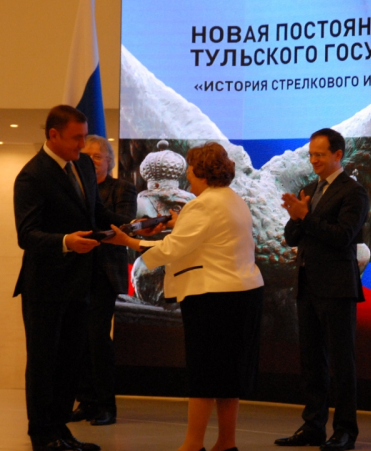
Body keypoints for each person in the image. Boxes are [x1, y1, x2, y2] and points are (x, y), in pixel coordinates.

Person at [106, 141, 264, 451]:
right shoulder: (232, 199)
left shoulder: (202, 205)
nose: (187, 177)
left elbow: (172, 249)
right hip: (243, 294)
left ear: (203, 172)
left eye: (190, 171)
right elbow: (204, 236)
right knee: (228, 375)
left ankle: (192, 445)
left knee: (203, 372)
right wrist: (177, 224)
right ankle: (226, 443)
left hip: (213, 296)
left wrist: (129, 241)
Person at [13, 105, 132, 451]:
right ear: (53, 135)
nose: (83, 145)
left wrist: (131, 228)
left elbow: (97, 212)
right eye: (76, 138)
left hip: (81, 282)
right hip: (45, 286)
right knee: (44, 362)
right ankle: (43, 436)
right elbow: (27, 234)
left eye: (84, 136)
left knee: (70, 361)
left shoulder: (81, 166)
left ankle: (60, 431)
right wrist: (66, 242)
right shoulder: (32, 175)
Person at [276, 128, 370, 451]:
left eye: (319, 155)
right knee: (312, 362)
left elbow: (343, 237)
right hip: (308, 284)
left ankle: (345, 431)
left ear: (337, 155)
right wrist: (296, 217)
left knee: (342, 363)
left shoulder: (353, 192)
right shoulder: (309, 189)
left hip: (337, 287)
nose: (313, 160)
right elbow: (291, 237)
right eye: (311, 155)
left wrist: (306, 216)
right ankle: (313, 426)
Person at [71, 135, 137, 426]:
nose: (90, 161)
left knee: (97, 338)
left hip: (104, 272)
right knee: (77, 339)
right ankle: (86, 401)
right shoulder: (72, 187)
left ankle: (106, 405)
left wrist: (91, 206)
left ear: (109, 161)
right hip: (74, 271)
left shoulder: (122, 188)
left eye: (97, 157)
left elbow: (123, 225)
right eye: (85, 156)